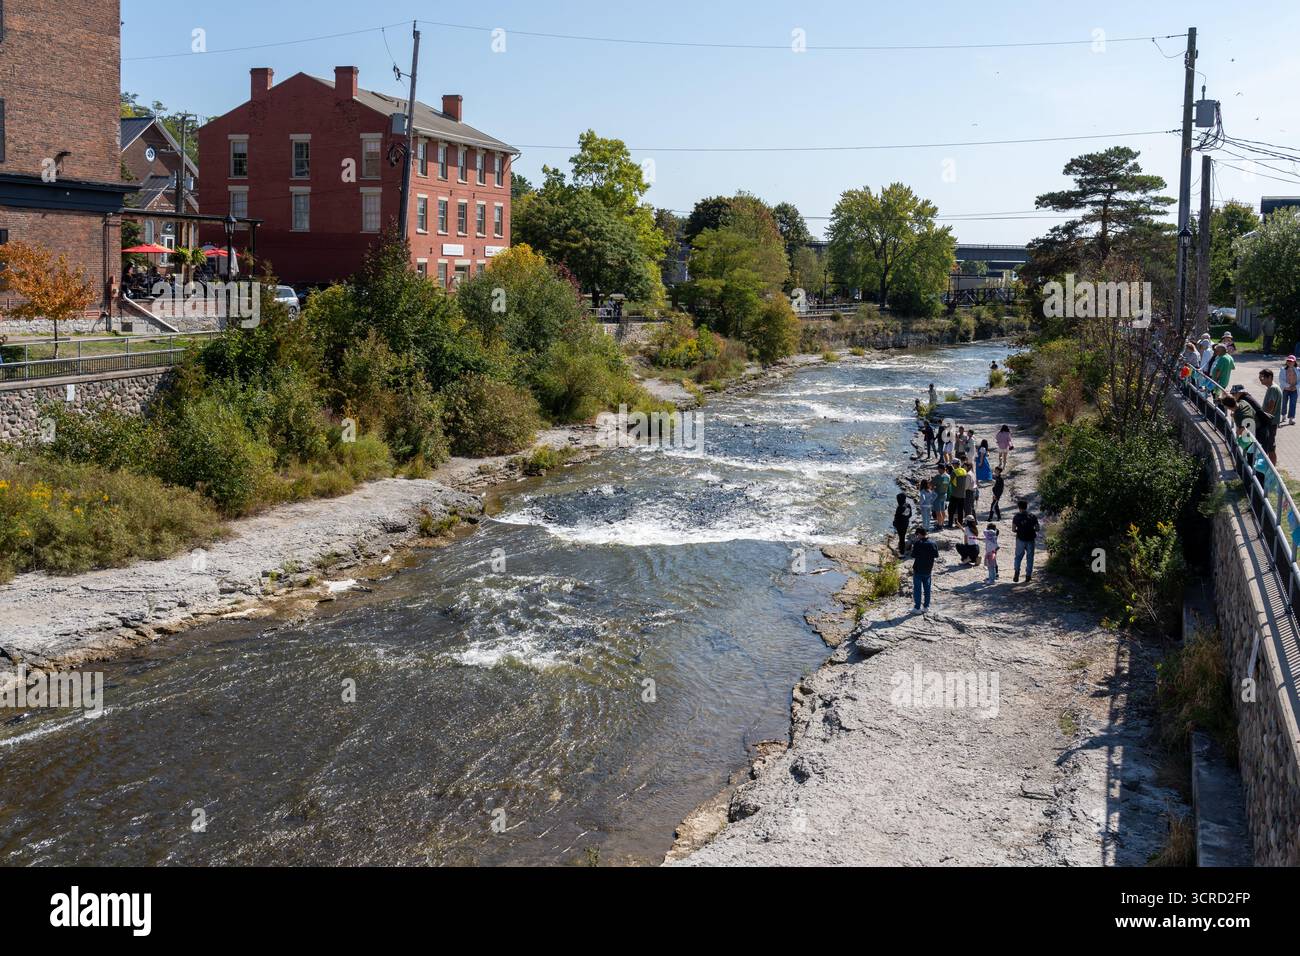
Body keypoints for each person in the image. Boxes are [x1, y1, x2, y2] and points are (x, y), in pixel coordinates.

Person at [910, 527, 940, 613]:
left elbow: (913, 555)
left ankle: (917, 608)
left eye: (917, 534)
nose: (917, 536)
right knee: (927, 589)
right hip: (928, 569)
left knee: (917, 589)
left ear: (919, 534)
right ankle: (926, 607)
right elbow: (936, 555)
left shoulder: (918, 543)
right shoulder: (933, 543)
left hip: (918, 569)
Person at [1012, 499, 1039, 583]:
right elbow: (1037, 528)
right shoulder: (1032, 516)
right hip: (1030, 539)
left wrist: (1018, 531)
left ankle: (1017, 572)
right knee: (1030, 557)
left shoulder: (1016, 517)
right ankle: (1028, 575)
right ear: (1026, 507)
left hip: (1020, 538)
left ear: (1019, 507)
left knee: (1018, 557)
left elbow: (1013, 529)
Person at [1260, 368, 1283, 463]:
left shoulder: (1273, 388)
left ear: (1269, 377)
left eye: (1262, 377)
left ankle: (1272, 468)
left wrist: (1265, 418)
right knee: (1268, 445)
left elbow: (1271, 404)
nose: (1260, 379)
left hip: (1270, 422)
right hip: (1271, 421)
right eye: (1259, 377)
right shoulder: (1272, 388)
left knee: (1270, 446)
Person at [948, 461, 967, 529]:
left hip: (955, 494)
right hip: (963, 494)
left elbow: (949, 481)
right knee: (960, 510)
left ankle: (950, 524)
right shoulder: (964, 471)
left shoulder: (954, 472)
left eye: (953, 464)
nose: (953, 465)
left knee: (951, 510)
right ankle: (960, 524)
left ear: (956, 464)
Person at [1282, 356, 1298, 426]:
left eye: (1291, 361)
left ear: (1294, 362)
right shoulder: (1283, 369)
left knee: (1293, 404)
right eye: (1288, 361)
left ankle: (1291, 419)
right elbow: (1281, 380)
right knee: (1284, 403)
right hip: (1285, 389)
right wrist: (1289, 386)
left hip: (1294, 390)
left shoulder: (1298, 370)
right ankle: (1283, 415)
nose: (1290, 362)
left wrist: (1295, 386)